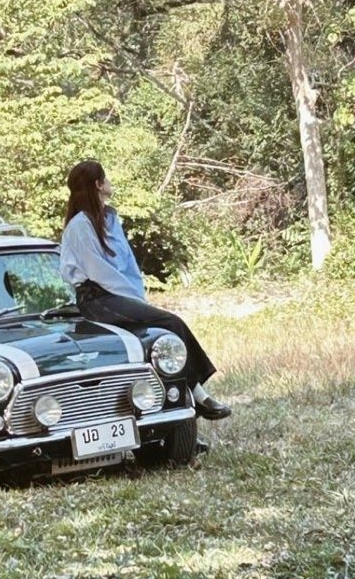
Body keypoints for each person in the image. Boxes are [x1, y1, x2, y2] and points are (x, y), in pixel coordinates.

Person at [59, 159, 231, 419]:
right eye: (106, 178)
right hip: (97, 297)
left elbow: (126, 263)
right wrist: (132, 298)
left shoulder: (109, 219)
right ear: (98, 184)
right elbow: (97, 270)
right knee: (170, 322)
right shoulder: (80, 225)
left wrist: (137, 296)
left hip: (116, 294)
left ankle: (182, 405)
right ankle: (198, 397)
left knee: (157, 336)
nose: (110, 182)